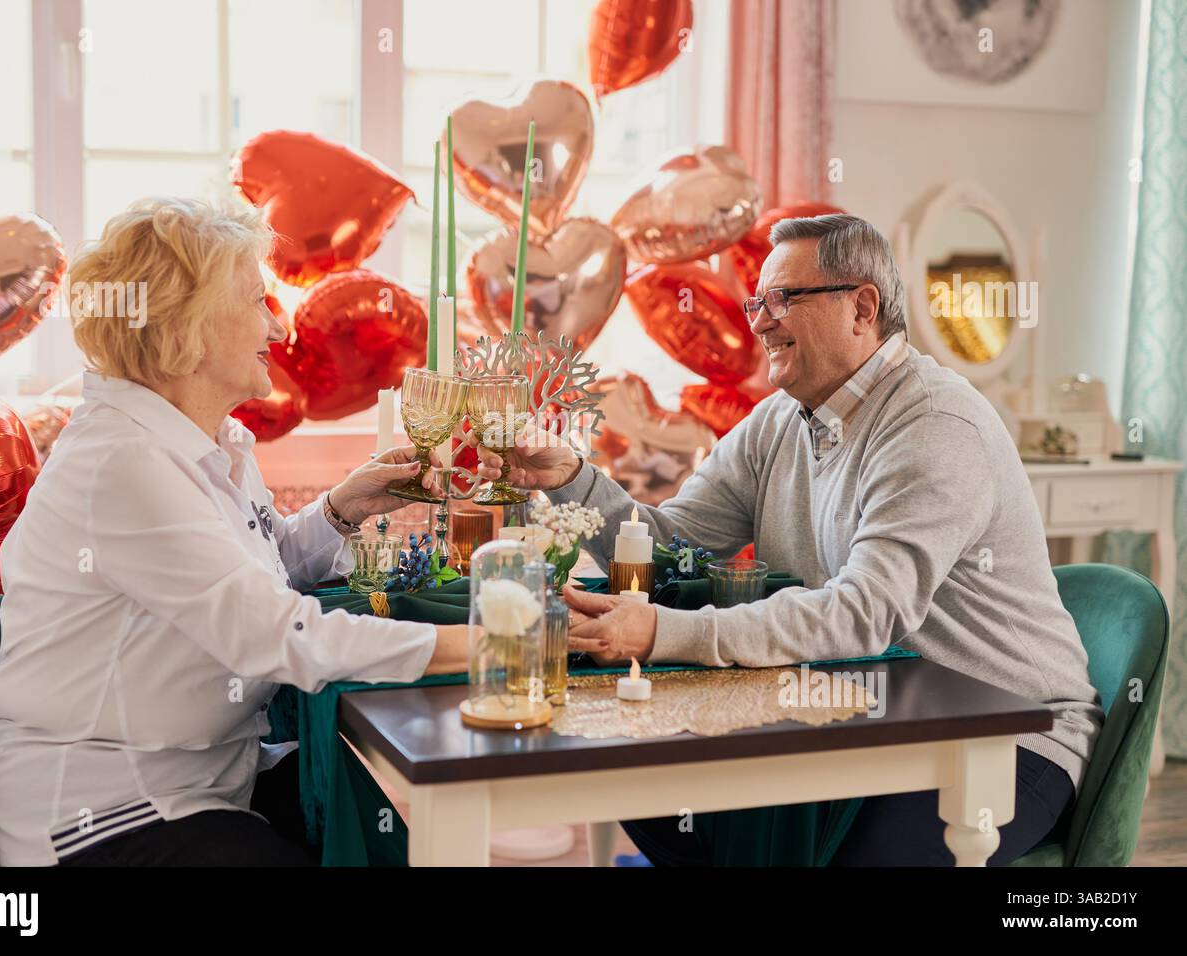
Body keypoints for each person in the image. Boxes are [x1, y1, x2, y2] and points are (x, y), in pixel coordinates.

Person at [470, 214, 1102, 866]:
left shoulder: (933, 424)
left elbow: (864, 614)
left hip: (1007, 736)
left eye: (784, 299)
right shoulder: (779, 421)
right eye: (756, 303)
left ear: (862, 308)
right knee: (645, 784)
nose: (761, 321)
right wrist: (571, 477)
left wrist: (661, 632)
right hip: (868, 714)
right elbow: (670, 547)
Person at [0, 197, 469, 866]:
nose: (277, 324)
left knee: (384, 828)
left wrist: (344, 506)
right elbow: (273, 633)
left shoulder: (209, 443)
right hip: (99, 814)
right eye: (257, 302)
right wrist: (490, 644)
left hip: (205, 782)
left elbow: (254, 578)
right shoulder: (125, 464)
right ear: (191, 328)